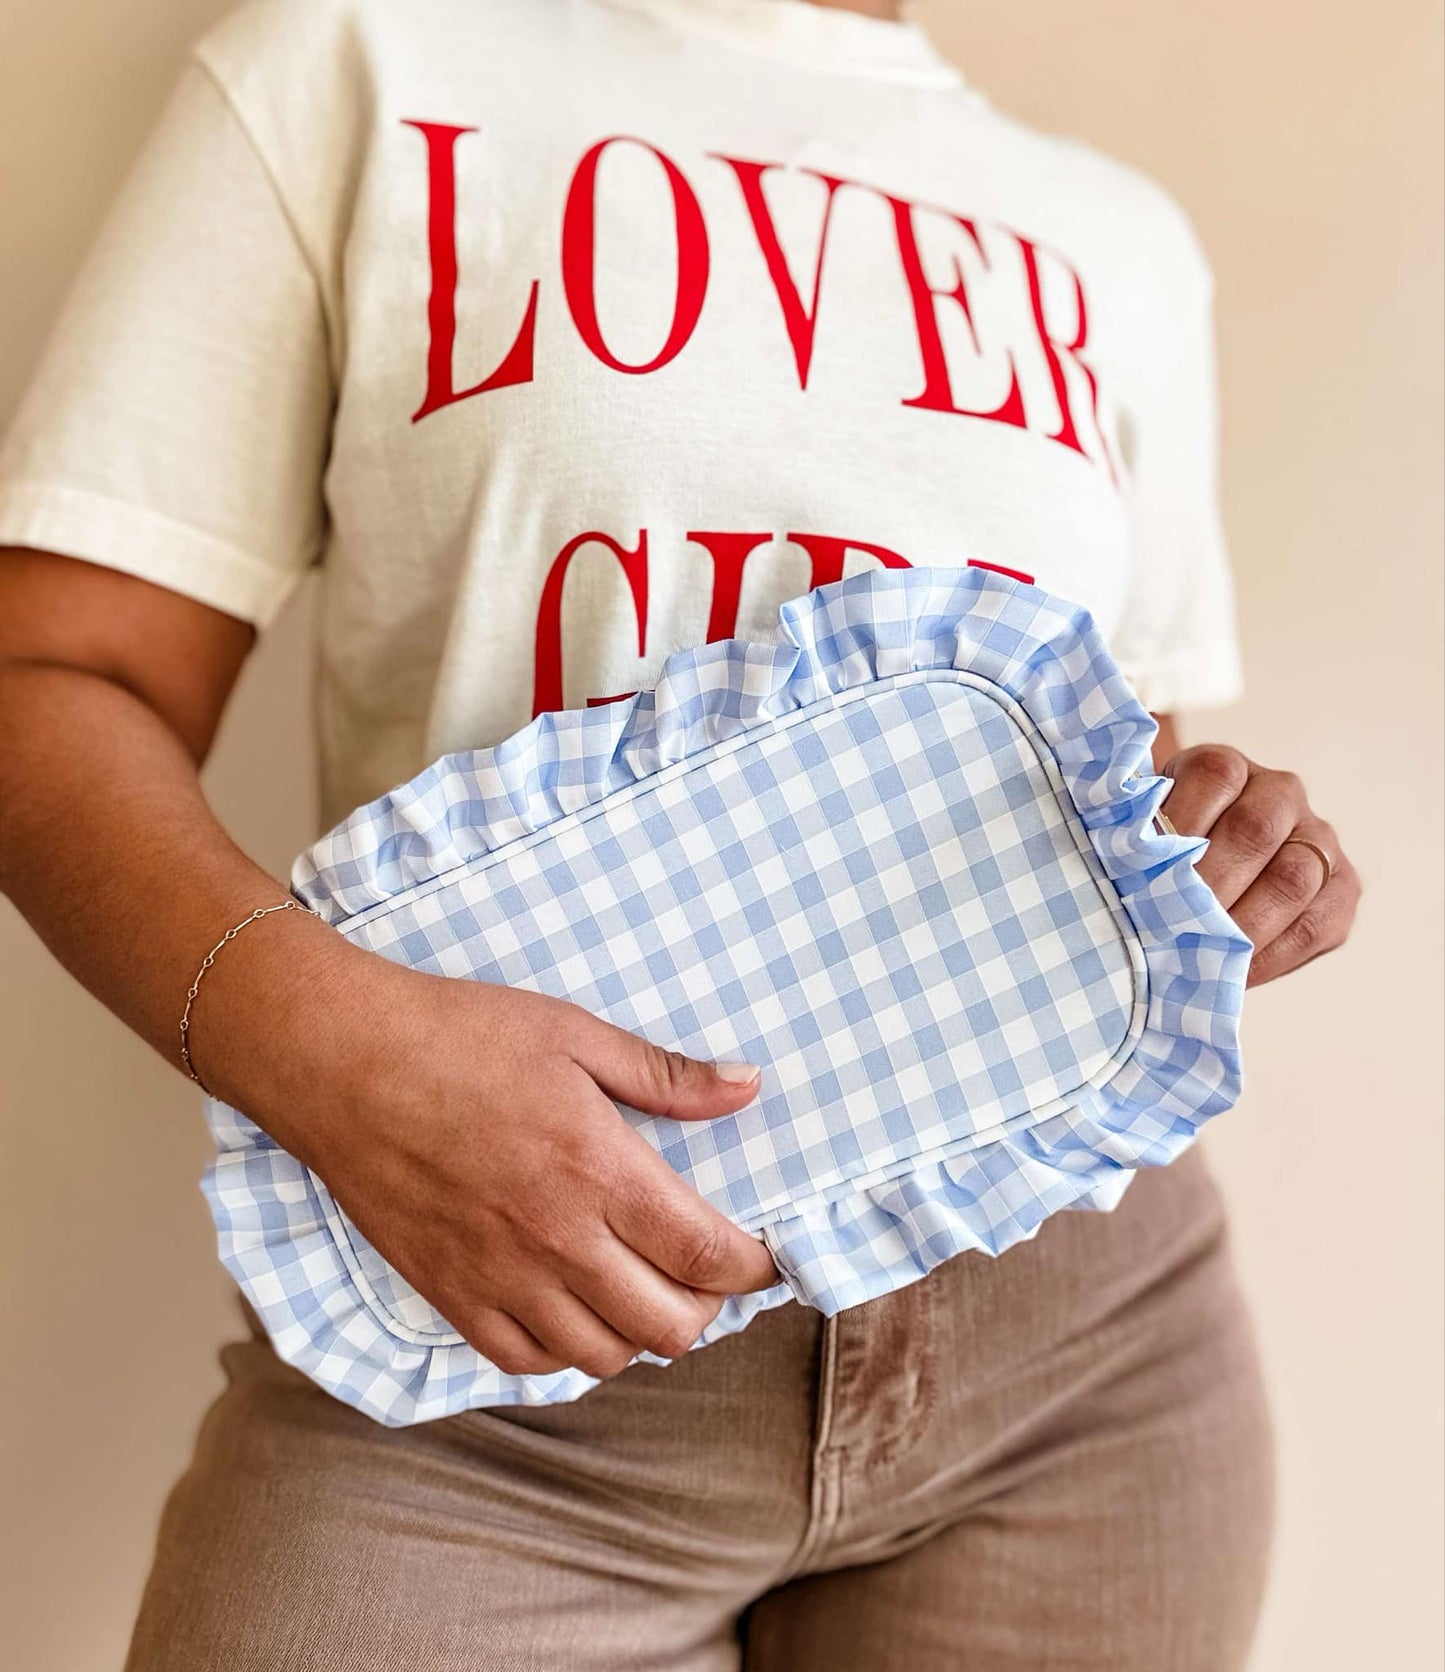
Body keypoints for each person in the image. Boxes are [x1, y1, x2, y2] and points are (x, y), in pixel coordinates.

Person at [0, 0, 1360, 1666]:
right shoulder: (358, 66)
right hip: (485, 1366)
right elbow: (51, 676)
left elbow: (1103, 762)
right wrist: (336, 1058)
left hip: (1073, 1370)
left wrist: (1223, 854)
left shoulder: (1115, 236)